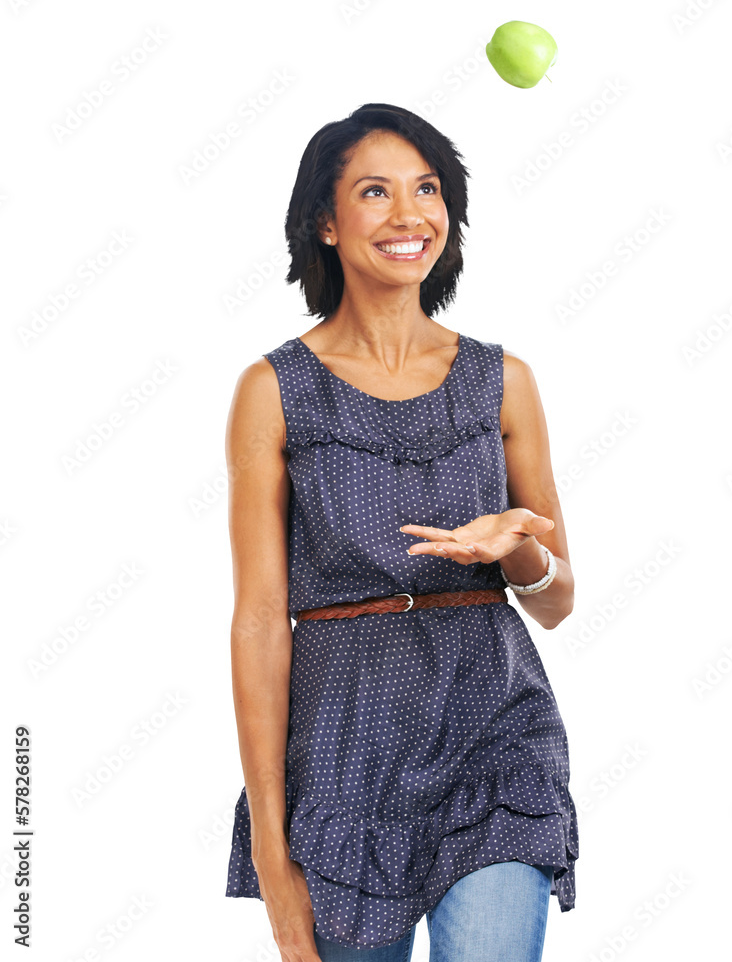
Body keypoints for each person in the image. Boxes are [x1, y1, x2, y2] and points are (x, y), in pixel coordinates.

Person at [224, 102, 579, 961]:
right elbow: (261, 622)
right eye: (375, 192)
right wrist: (273, 852)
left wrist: (516, 549)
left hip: (494, 738)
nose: (409, 214)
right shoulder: (273, 391)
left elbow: (558, 598)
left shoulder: (505, 381)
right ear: (326, 222)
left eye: (427, 190)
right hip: (345, 755)